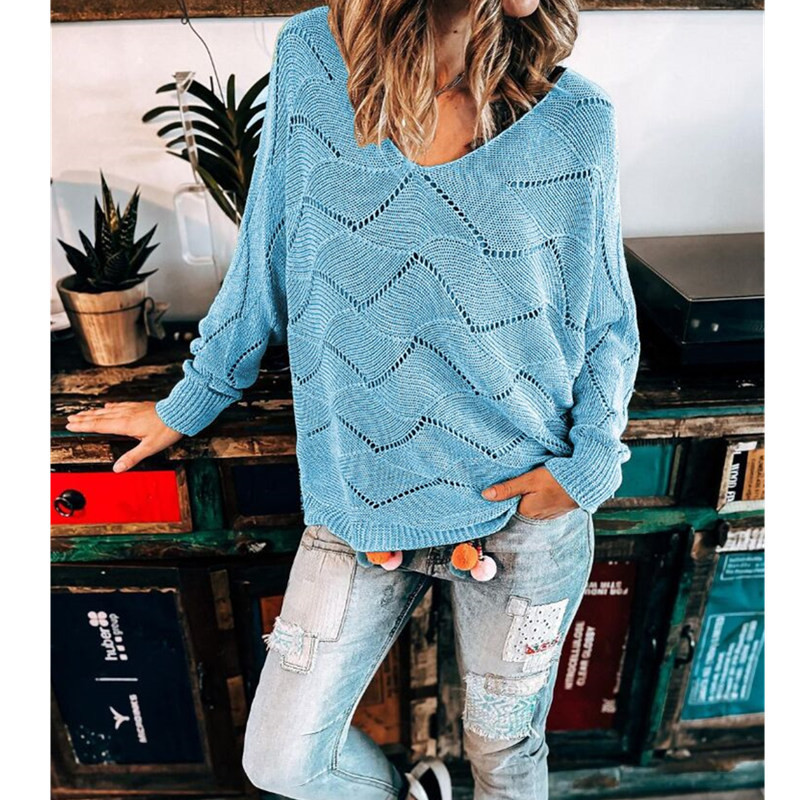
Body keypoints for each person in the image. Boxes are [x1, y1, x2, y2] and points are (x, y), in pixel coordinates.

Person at [66, 1, 641, 798]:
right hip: (360, 497)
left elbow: (607, 319)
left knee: (506, 756)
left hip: (524, 510)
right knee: (283, 761)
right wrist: (189, 401)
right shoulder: (313, 58)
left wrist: (590, 464)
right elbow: (266, 252)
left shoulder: (578, 119)